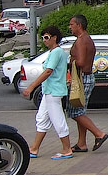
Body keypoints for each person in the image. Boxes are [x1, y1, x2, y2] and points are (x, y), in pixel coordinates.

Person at [24, 25, 73, 159]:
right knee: (41, 118)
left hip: (54, 92)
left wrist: (31, 87)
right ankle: (34, 148)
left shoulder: (56, 52)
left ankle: (67, 149)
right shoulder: (53, 52)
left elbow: (48, 71)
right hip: (49, 91)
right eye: (43, 38)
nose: (44, 40)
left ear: (54, 38)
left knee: (58, 120)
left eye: (46, 37)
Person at [67, 15, 108, 153]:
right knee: (81, 112)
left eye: (71, 24)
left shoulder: (81, 40)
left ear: (79, 25)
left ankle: (99, 134)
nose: (70, 27)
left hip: (82, 78)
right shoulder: (87, 38)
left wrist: (68, 63)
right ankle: (81, 143)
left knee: (75, 112)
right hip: (86, 77)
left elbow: (80, 62)